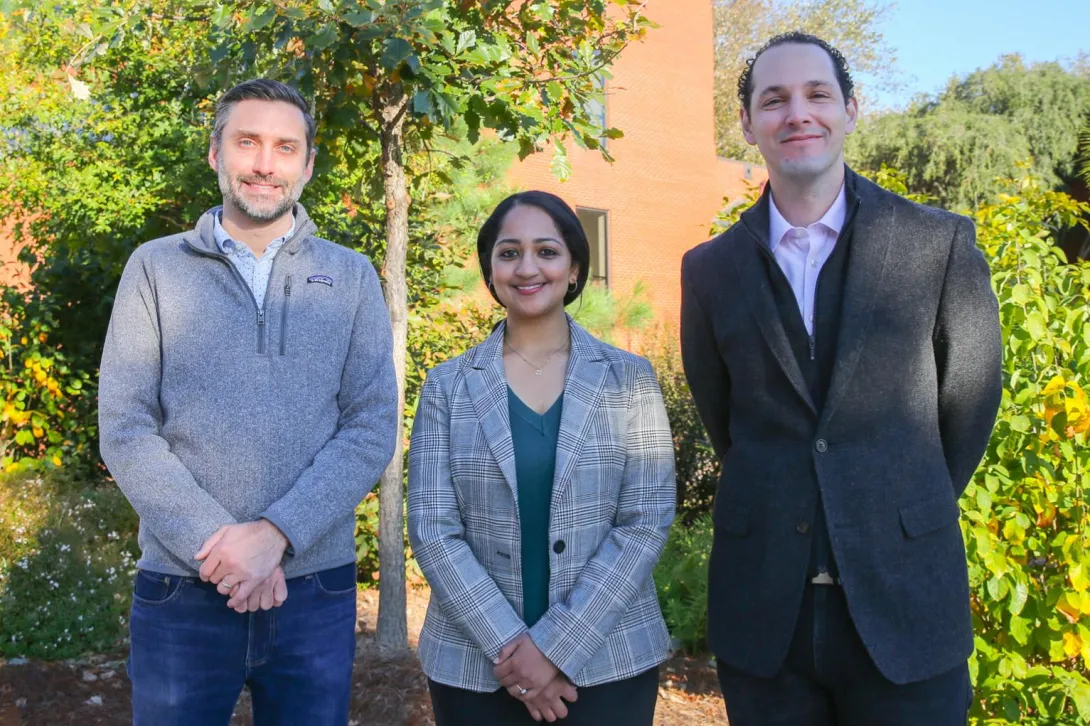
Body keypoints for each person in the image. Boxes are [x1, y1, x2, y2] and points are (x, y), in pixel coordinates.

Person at [680, 32, 1003, 726]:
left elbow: (969, 406)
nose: (798, 113)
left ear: (851, 109)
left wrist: (893, 505)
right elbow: (722, 413)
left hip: (907, 607)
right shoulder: (709, 270)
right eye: (774, 100)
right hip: (766, 617)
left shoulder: (938, 245)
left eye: (817, 94)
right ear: (747, 124)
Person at [98, 78, 398, 725]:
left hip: (315, 590)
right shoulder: (154, 269)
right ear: (215, 153)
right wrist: (219, 543)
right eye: (248, 142)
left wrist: (276, 536)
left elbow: (371, 426)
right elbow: (125, 428)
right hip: (181, 588)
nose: (265, 163)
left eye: (285, 147)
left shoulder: (351, 277)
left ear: (308, 164)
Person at [408, 191, 675, 725]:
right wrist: (513, 651)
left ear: (574, 267)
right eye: (509, 253)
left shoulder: (630, 378)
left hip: (609, 662)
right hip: (475, 668)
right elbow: (433, 530)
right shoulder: (448, 386)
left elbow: (645, 520)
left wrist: (556, 648)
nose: (527, 267)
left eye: (547, 252)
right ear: (490, 269)